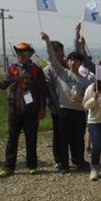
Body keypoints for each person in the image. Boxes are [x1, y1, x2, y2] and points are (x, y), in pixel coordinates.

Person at [0, 42, 47, 177]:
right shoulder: (12, 69)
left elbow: (42, 91)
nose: (21, 56)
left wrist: (42, 109)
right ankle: (9, 167)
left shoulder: (36, 70)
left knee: (31, 139)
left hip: (31, 112)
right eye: (18, 53)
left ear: (30, 54)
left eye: (24, 53)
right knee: (12, 140)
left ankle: (32, 165)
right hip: (14, 111)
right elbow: (3, 85)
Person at [42, 32, 93, 173]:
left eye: (76, 60)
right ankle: (64, 164)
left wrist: (81, 100)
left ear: (80, 63)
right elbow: (52, 58)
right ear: (68, 61)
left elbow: (90, 98)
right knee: (63, 138)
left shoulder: (85, 80)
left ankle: (80, 162)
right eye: (71, 59)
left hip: (78, 112)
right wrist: (47, 41)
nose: (73, 62)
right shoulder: (62, 72)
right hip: (64, 110)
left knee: (78, 139)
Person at [43, 40, 65, 170]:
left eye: (61, 50)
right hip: (57, 109)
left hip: (70, 107)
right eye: (57, 51)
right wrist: (56, 102)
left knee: (72, 134)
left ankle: (74, 158)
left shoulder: (68, 66)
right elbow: (49, 88)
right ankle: (59, 159)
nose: (61, 53)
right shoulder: (48, 70)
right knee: (58, 134)